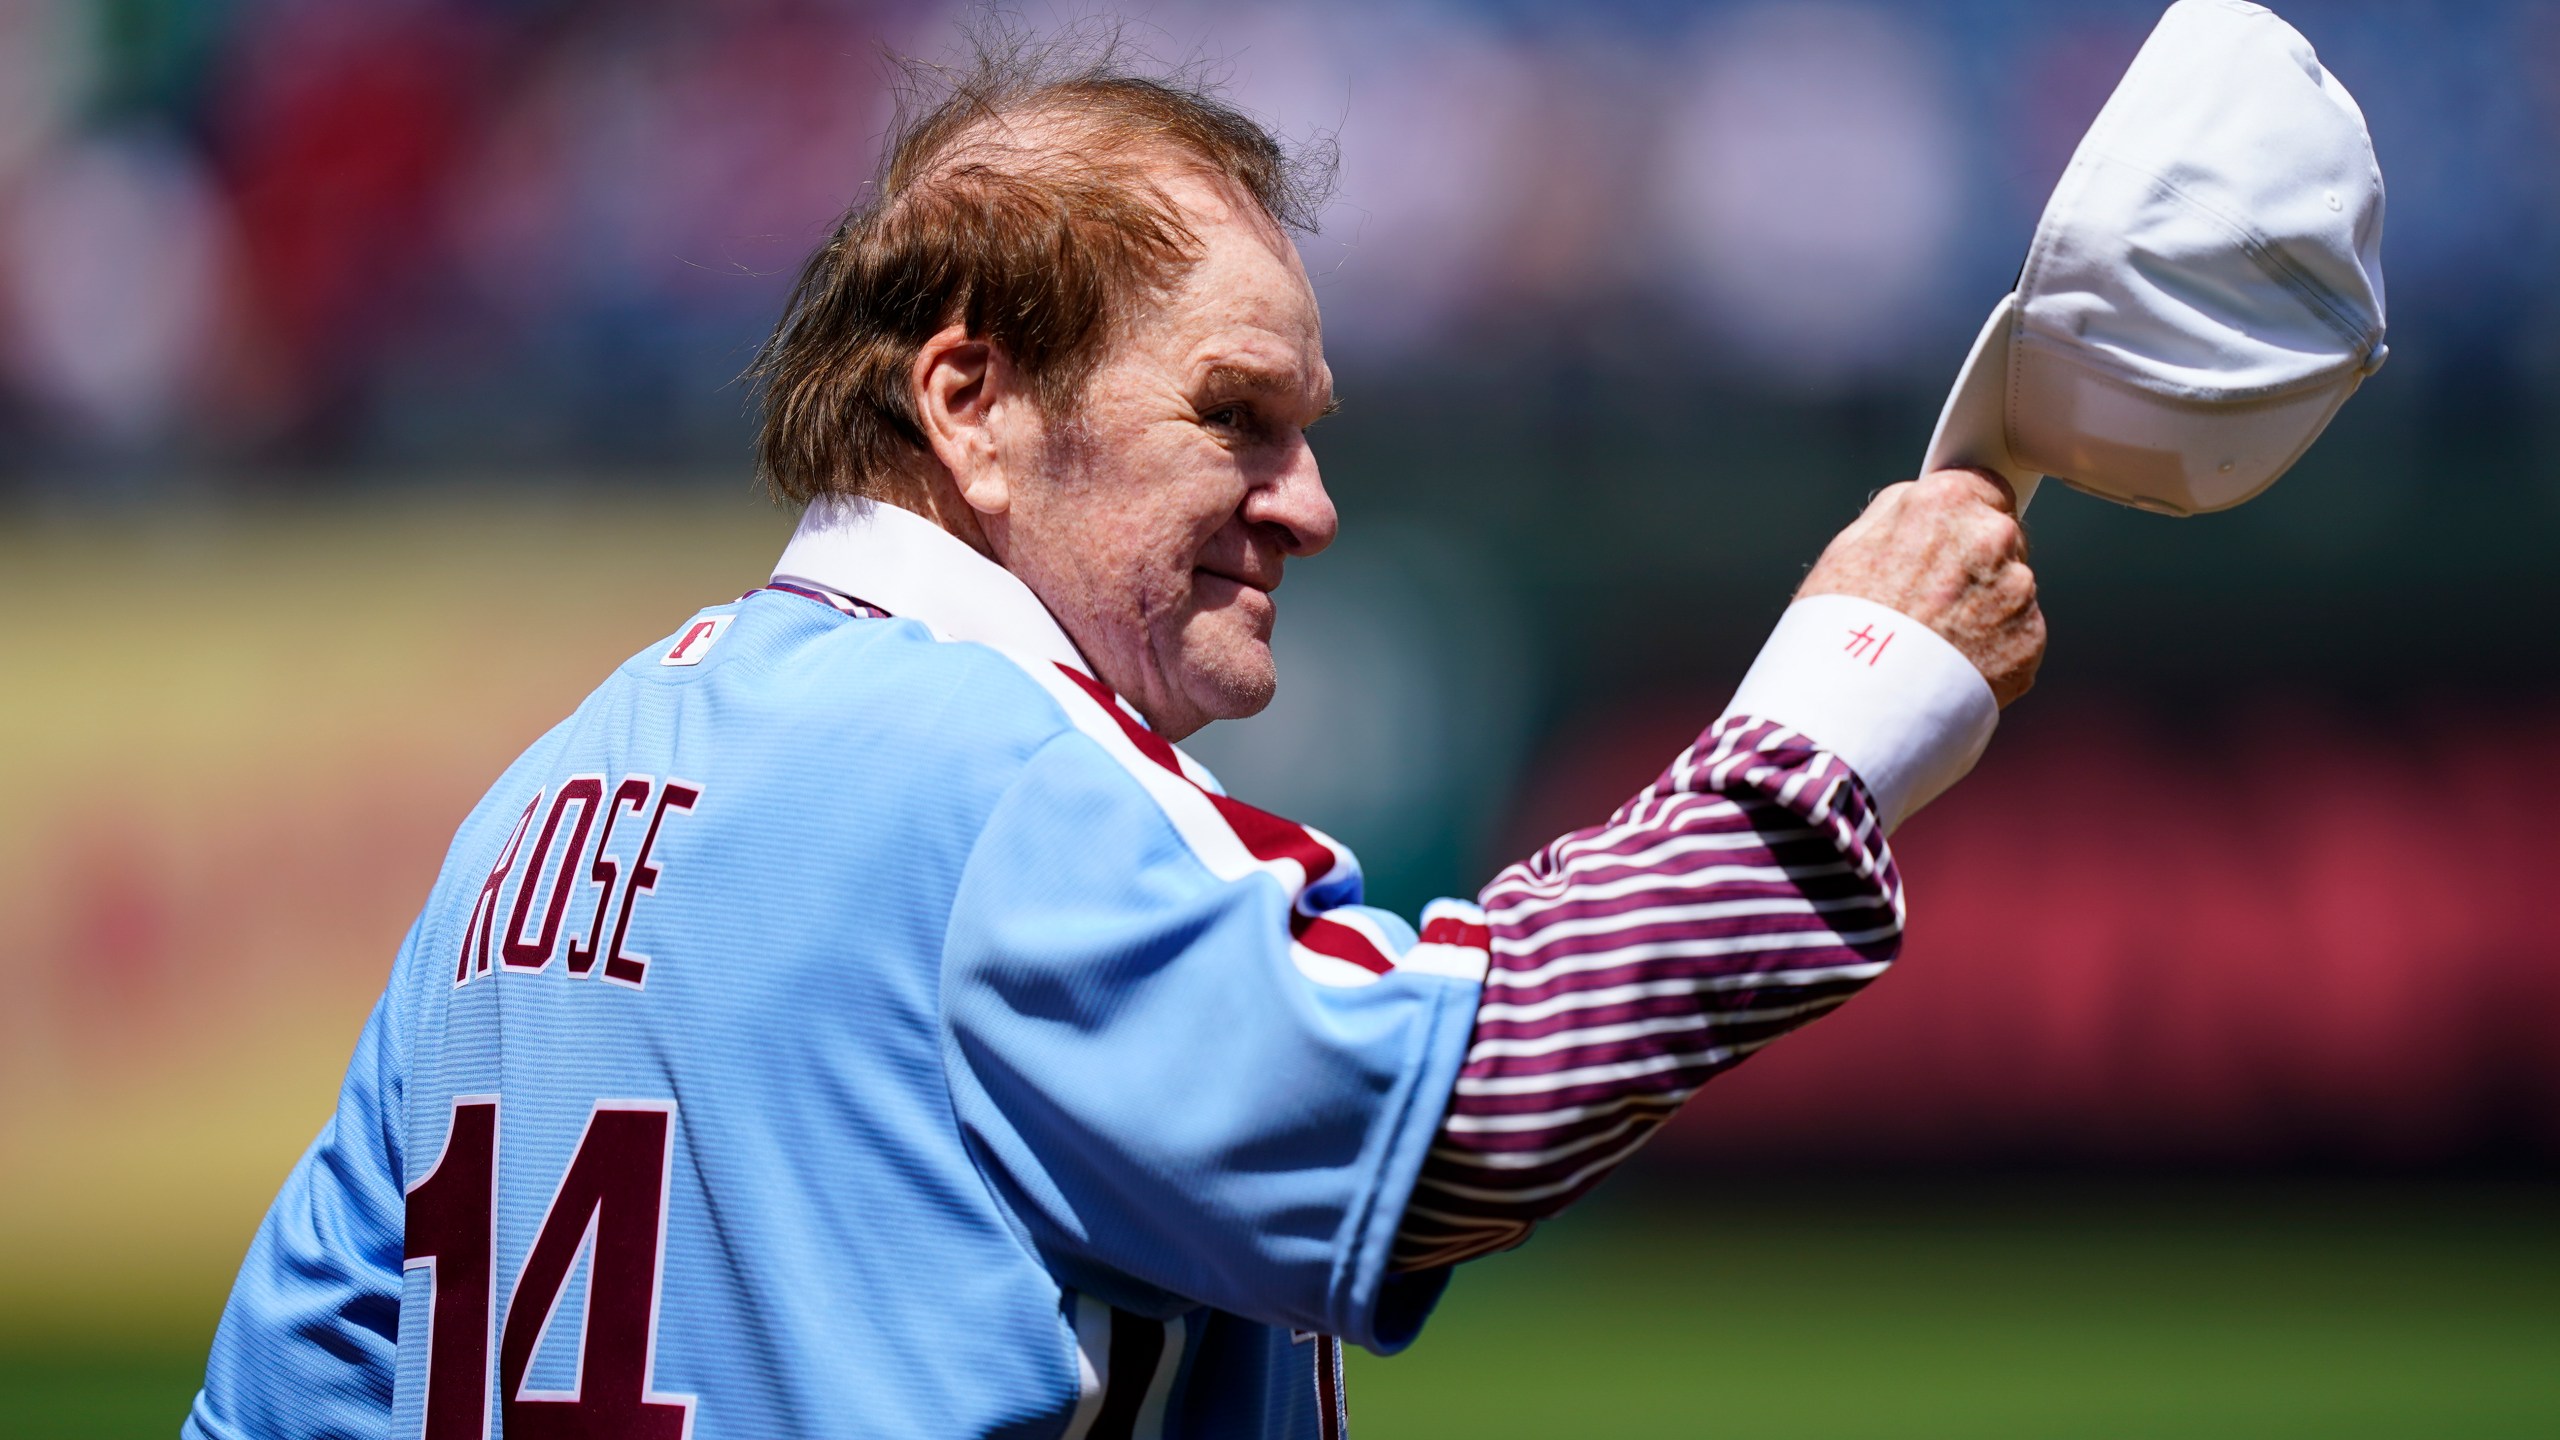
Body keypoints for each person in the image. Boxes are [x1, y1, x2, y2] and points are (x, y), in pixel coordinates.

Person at [186, 37, 2043, 1440]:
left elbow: (274, 1399)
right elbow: (1461, 1105)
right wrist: (1838, 718)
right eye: (1238, 415)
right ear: (971, 402)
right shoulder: (987, 779)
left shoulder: (547, 793)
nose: (1309, 502)